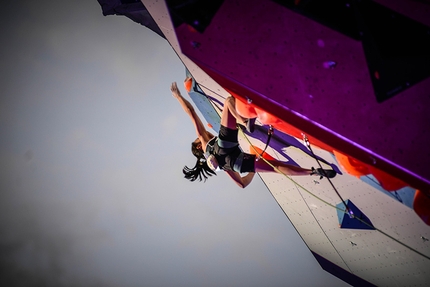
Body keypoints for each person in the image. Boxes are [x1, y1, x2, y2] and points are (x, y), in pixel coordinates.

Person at [171, 80, 336, 188]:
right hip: (223, 146)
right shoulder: (204, 142)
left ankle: (313, 171)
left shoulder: (221, 168)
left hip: (234, 163)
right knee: (229, 102)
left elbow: (241, 184)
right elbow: (191, 112)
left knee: (276, 167)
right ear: (198, 146)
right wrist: (178, 97)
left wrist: (253, 169)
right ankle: (244, 121)